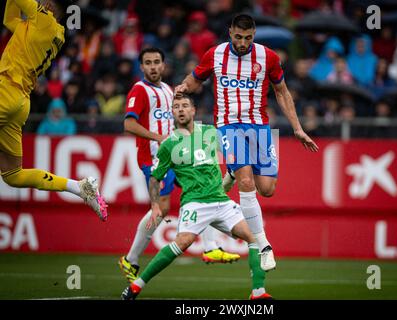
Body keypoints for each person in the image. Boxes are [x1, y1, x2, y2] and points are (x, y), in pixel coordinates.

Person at [175, 14, 319, 272]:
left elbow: (282, 92)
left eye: (248, 38)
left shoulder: (268, 57)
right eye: (239, 37)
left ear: (254, 35)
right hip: (228, 126)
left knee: (267, 189)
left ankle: (231, 171)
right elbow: (196, 78)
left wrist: (297, 128)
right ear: (230, 32)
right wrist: (184, 86)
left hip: (259, 127)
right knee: (246, 182)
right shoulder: (215, 54)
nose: (243, 43)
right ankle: (263, 245)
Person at [121, 94, 272, 300]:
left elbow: (234, 154)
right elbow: (155, 179)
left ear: (194, 111)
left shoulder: (210, 133)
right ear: (172, 113)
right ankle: (136, 286)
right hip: (195, 203)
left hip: (221, 201)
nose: (181, 109)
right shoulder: (169, 144)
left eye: (185, 106)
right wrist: (155, 205)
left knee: (254, 238)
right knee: (182, 243)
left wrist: (233, 172)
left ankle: (258, 293)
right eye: (176, 107)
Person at [118, 48, 240, 284]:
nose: (153, 67)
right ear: (141, 67)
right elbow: (129, 125)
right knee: (162, 209)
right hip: (154, 158)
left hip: (178, 155)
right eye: (148, 63)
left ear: (163, 65)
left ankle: (211, 247)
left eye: (157, 62)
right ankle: (130, 259)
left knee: (201, 192)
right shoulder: (139, 90)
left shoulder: (167, 90)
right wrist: (159, 138)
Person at [0, 0, 107, 221]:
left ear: (48, 4)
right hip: (20, 102)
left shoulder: (41, 17)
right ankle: (79, 187)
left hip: (5, 89)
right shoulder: (57, 34)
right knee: (13, 175)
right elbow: (9, 19)